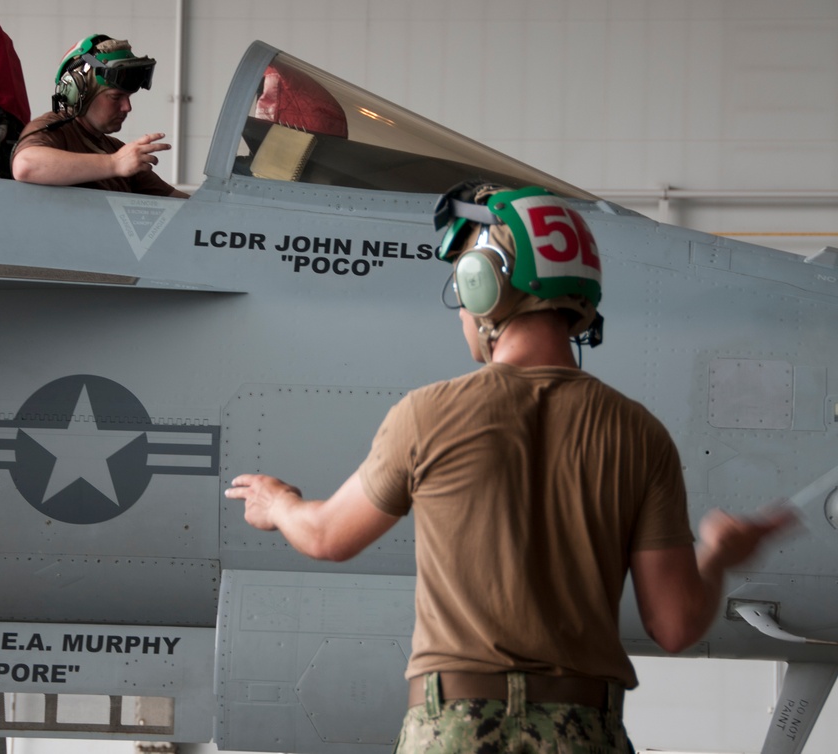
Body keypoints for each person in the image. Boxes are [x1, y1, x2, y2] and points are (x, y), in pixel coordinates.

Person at [224, 182, 795, 753]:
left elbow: (328, 537)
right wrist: (717, 554)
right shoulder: (639, 433)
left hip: (454, 728)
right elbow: (674, 627)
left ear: (484, 284)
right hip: (584, 729)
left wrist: (280, 504)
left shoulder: (427, 415)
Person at [11, 34, 188, 197]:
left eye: (128, 97)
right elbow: (25, 165)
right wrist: (114, 164)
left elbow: (182, 203)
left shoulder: (116, 150)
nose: (127, 107)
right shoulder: (54, 128)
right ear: (79, 93)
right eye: (115, 97)